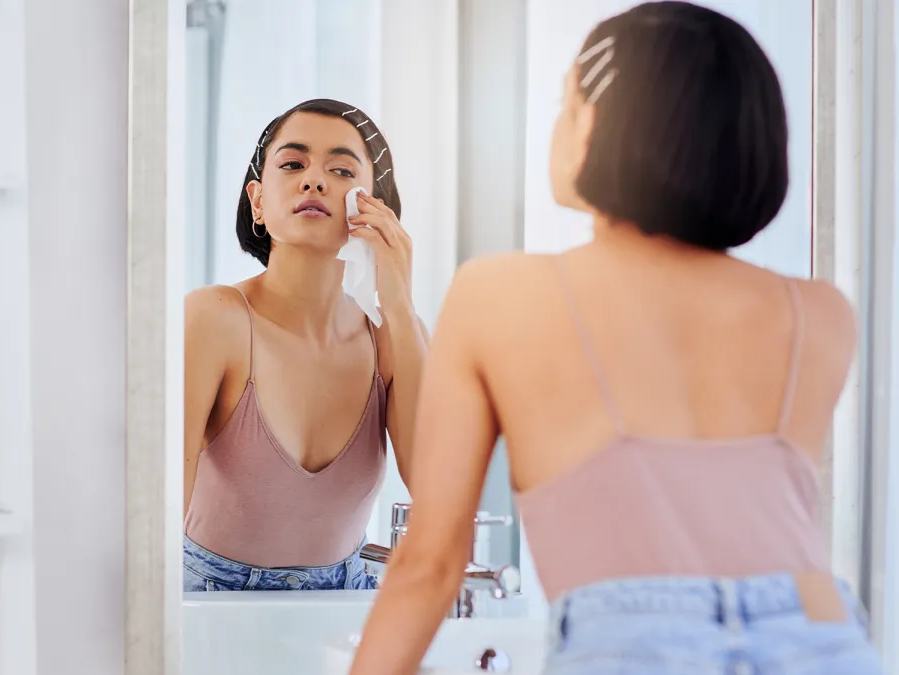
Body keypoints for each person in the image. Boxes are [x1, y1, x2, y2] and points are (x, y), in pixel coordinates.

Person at [350, 2, 883, 674]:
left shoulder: (498, 294)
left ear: (596, 124)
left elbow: (430, 563)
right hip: (823, 633)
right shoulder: (820, 314)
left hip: (636, 640)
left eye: (564, 104)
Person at [183, 98, 430, 592]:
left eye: (341, 170)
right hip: (211, 600)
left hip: (347, 599)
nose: (314, 181)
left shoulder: (396, 336)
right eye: (293, 164)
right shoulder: (214, 318)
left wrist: (399, 303)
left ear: (375, 208)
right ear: (257, 201)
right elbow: (151, 511)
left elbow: (438, 487)